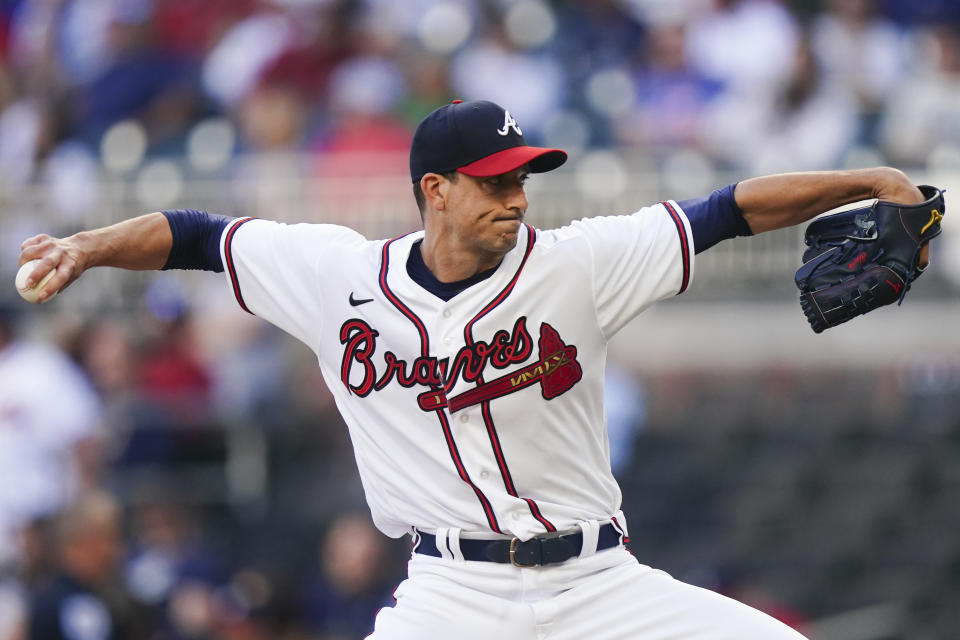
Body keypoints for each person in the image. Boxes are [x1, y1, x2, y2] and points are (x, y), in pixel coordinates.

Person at [17, 99, 933, 639]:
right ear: (435, 191)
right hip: (452, 595)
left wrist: (867, 180)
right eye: (496, 181)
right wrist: (91, 246)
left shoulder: (576, 262)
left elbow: (724, 211)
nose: (516, 197)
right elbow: (194, 237)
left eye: (522, 178)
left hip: (600, 586)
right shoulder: (340, 277)